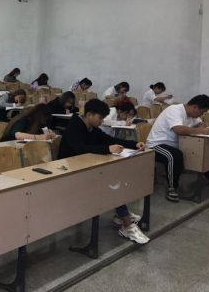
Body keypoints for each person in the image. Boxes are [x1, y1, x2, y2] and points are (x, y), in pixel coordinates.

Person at [58, 99, 149, 244]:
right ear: (89, 114)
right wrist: (107, 149)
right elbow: (80, 148)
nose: (102, 121)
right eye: (100, 118)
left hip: (86, 167)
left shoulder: (92, 128)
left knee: (116, 178)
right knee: (112, 183)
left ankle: (121, 214)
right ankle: (127, 225)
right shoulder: (73, 128)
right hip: (70, 172)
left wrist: (134, 144)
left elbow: (109, 139)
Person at [146, 95, 209, 202]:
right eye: (202, 112)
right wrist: (202, 131)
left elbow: (202, 122)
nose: (202, 114)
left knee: (202, 152)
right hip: (157, 145)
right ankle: (172, 188)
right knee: (174, 155)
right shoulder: (174, 110)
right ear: (195, 107)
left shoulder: (192, 115)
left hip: (178, 145)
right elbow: (179, 130)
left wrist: (201, 126)